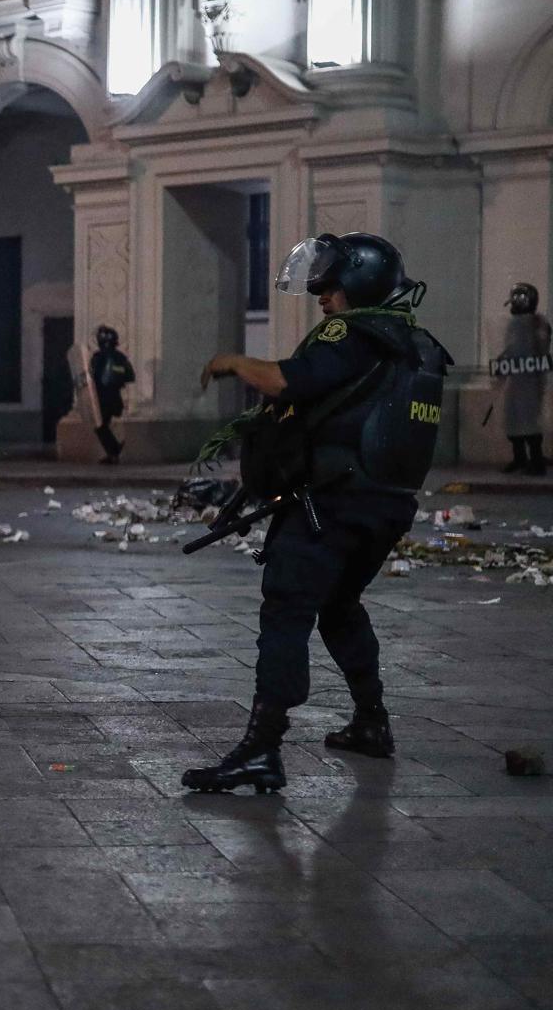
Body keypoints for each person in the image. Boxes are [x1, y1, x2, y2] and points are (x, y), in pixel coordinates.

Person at [186, 232, 445, 794]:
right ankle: (371, 721)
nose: (322, 294)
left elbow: (286, 381)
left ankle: (261, 749)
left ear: (359, 282)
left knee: (287, 610)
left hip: (334, 502)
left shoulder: (350, 333)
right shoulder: (415, 342)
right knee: (339, 605)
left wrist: (233, 361)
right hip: (386, 506)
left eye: (330, 284)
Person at [497, 282, 549, 475]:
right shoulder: (514, 325)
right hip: (517, 381)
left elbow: (538, 350)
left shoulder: (537, 324)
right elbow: (512, 348)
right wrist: (502, 361)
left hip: (531, 382)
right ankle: (519, 458)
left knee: (530, 423)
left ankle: (536, 462)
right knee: (513, 420)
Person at [90, 326, 136, 464]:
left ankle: (114, 450)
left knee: (99, 425)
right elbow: (130, 376)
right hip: (115, 397)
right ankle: (112, 452)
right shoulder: (121, 357)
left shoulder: (97, 357)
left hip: (101, 397)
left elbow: (91, 376)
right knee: (103, 424)